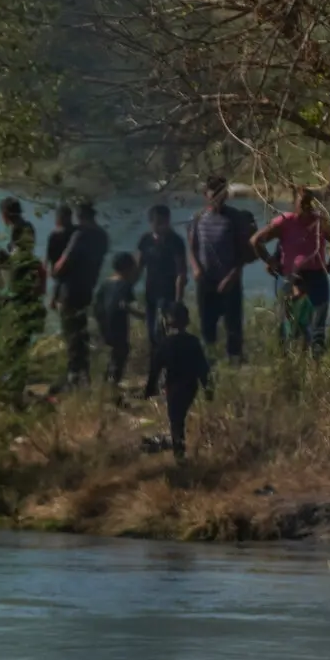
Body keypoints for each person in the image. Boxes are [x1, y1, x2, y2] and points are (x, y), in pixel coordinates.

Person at [252, 185, 330, 355]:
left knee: (317, 326)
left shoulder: (319, 222)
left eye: (309, 203)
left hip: (316, 276)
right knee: (287, 324)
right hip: (288, 277)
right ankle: (286, 361)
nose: (306, 207)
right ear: (295, 203)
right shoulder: (285, 221)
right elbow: (256, 240)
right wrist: (270, 260)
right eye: (303, 203)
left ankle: (315, 362)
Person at [188, 175, 253, 363]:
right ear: (205, 194)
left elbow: (243, 251)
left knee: (233, 326)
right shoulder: (197, 217)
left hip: (229, 280)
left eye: (221, 192)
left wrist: (233, 275)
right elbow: (192, 247)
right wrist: (196, 269)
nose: (217, 196)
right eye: (213, 192)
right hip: (206, 280)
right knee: (207, 326)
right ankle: (209, 362)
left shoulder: (235, 217)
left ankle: (235, 363)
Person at [51, 200, 108, 387]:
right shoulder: (102, 235)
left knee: (71, 334)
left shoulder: (80, 234)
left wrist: (55, 270)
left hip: (70, 290)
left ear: (79, 216)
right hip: (87, 288)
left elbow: (62, 264)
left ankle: (73, 376)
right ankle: (83, 374)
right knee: (81, 331)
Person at [138, 204, 188, 395]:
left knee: (163, 336)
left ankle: (165, 380)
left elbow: (181, 272)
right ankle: (155, 381)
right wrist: (124, 287)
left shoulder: (175, 241)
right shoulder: (146, 241)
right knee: (153, 338)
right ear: (151, 222)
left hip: (168, 296)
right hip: (150, 294)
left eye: (165, 221)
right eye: (158, 222)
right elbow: (139, 266)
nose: (162, 226)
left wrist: (178, 301)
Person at [155, 301, 211, 460]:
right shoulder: (193, 341)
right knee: (178, 418)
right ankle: (180, 452)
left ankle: (179, 454)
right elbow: (203, 367)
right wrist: (208, 388)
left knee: (175, 420)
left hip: (173, 387)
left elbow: (157, 366)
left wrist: (153, 387)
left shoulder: (166, 343)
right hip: (190, 386)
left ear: (169, 320)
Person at [93, 252, 138, 385]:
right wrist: (143, 315)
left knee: (111, 352)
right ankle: (113, 383)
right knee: (121, 352)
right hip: (118, 324)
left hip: (104, 324)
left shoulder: (105, 283)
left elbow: (97, 305)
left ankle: (106, 380)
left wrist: (100, 322)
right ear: (128, 269)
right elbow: (127, 305)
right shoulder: (125, 285)